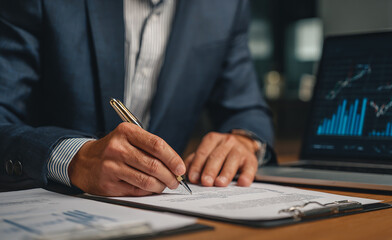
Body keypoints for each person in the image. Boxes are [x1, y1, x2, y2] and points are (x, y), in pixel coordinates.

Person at [0, 0, 275, 196]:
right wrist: (72, 158)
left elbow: (246, 107)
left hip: (167, 214)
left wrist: (243, 140)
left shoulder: (226, 6)